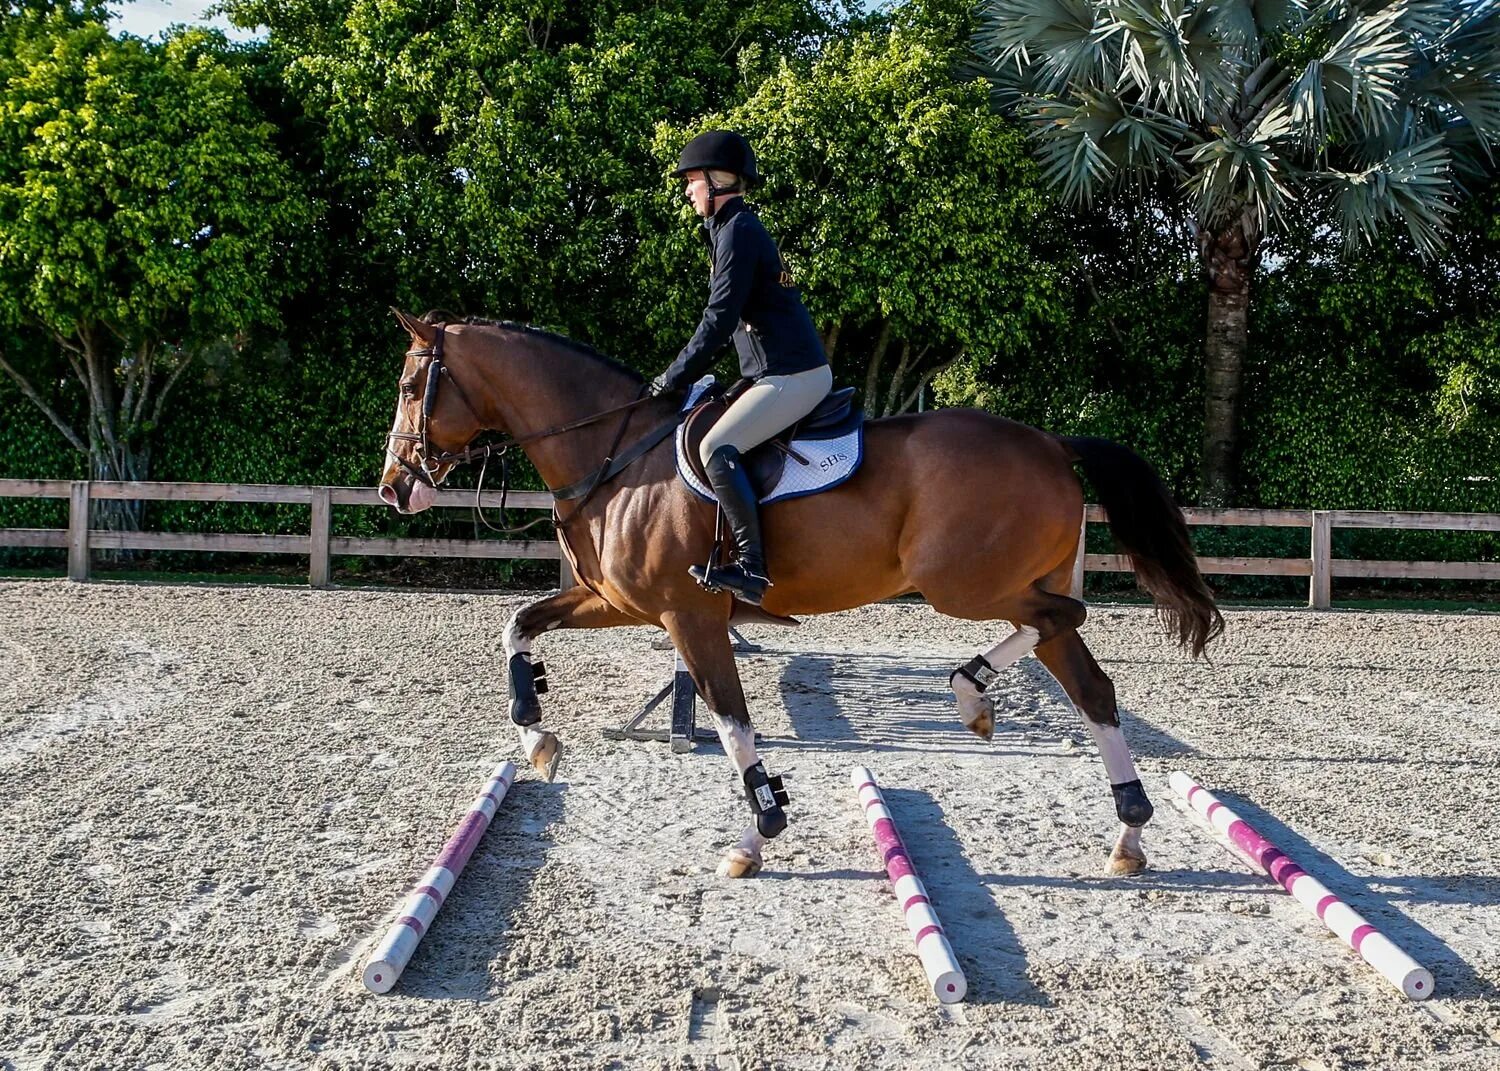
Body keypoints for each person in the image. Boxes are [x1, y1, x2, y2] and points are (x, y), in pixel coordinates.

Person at [649, 130, 833, 606]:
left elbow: (719, 317)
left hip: (793, 375)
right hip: (769, 373)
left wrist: (673, 376)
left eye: (692, 181)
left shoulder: (739, 231)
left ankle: (751, 568)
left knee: (715, 445)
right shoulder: (729, 229)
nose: (688, 191)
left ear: (715, 181)